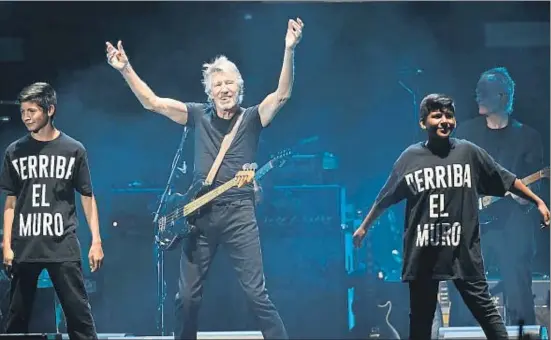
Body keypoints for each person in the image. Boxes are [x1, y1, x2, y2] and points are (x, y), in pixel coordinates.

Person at [105, 17, 304, 339]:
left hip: (239, 212)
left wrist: (289, 50)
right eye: (218, 86)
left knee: (256, 294)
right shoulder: (197, 115)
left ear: (240, 88)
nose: (224, 90)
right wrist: (125, 69)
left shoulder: (252, 118)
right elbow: (153, 103)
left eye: (229, 84)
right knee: (186, 297)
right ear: (209, 93)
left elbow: (281, 95)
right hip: (199, 214)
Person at [352, 93, 550, 340]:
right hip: (423, 253)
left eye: (449, 115)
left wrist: (538, 201)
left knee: (487, 314)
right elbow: (385, 196)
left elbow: (506, 178)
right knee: (421, 322)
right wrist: (364, 227)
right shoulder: (410, 158)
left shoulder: (468, 152)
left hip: (462, 251)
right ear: (423, 123)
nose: (444, 120)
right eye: (437, 116)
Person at [0, 82, 104, 339]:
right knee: (16, 318)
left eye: (32, 111)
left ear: (50, 110)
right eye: (23, 111)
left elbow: (88, 197)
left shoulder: (73, 149)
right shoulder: (14, 151)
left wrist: (96, 241)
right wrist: (6, 244)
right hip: (25, 244)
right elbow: (10, 201)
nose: (25, 117)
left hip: (62, 243)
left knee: (78, 315)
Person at [449, 67, 545, 326]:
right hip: (473, 220)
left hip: (512, 222)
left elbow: (533, 190)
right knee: (464, 282)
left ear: (503, 97)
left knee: (517, 281)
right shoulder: (466, 134)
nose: (478, 96)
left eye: (485, 92)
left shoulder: (528, 137)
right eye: (477, 91)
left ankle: (520, 330)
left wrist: (524, 197)